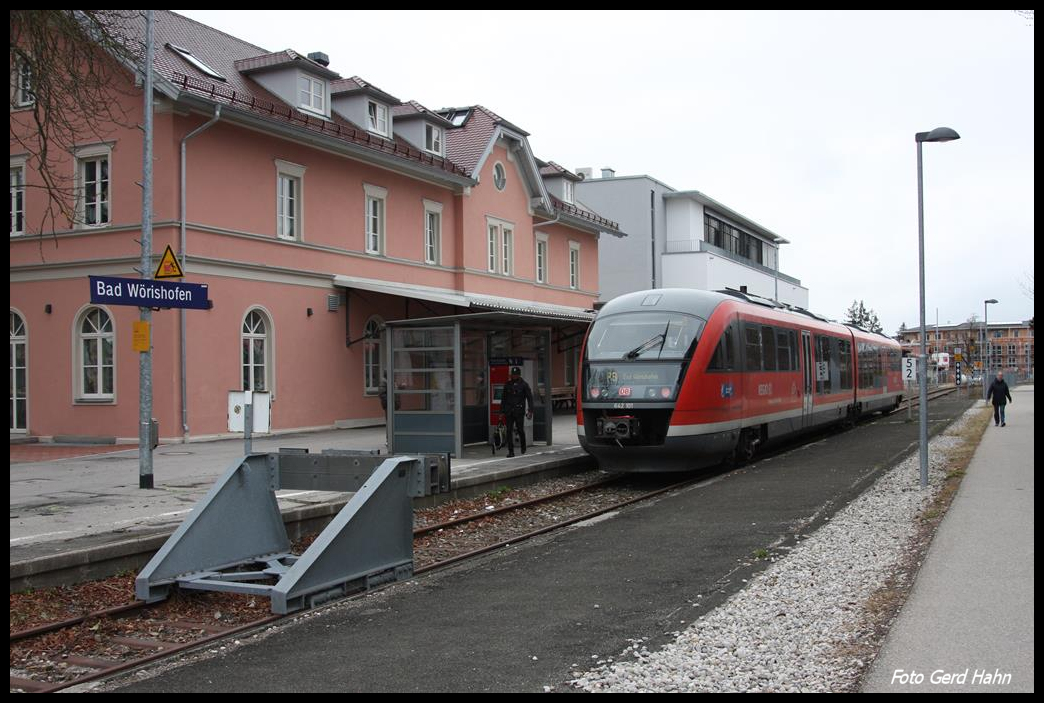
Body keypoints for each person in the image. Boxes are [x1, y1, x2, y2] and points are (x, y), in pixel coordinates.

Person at [501, 366, 534, 457]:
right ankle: (511, 451)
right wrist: (501, 411)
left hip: (519, 411)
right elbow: (503, 399)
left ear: (519, 375)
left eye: (516, 375)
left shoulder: (524, 385)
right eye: (513, 375)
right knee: (509, 430)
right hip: (509, 411)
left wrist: (530, 410)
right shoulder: (507, 384)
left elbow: (530, 398)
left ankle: (523, 446)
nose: (514, 376)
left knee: (520, 430)